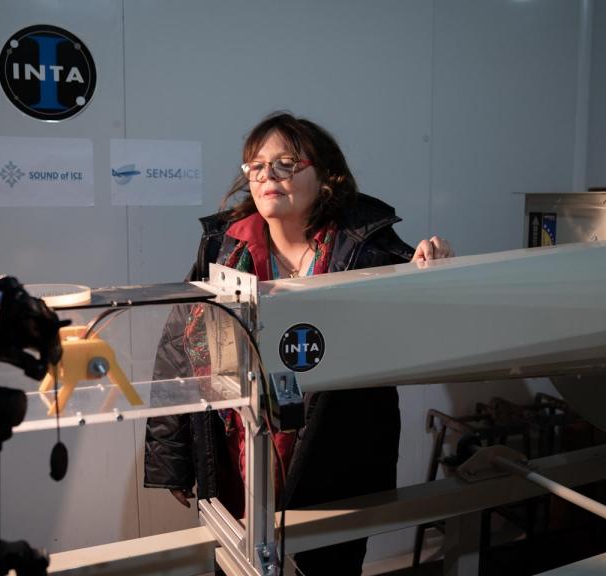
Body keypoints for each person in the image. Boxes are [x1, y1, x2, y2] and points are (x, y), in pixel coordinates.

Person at [143, 112, 453, 575]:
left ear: (327, 177)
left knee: (329, 564)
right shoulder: (222, 248)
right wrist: (171, 459)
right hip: (240, 451)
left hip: (336, 456)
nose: (268, 175)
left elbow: (421, 334)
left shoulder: (367, 249)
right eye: (257, 166)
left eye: (286, 163)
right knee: (239, 563)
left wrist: (437, 272)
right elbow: (178, 352)